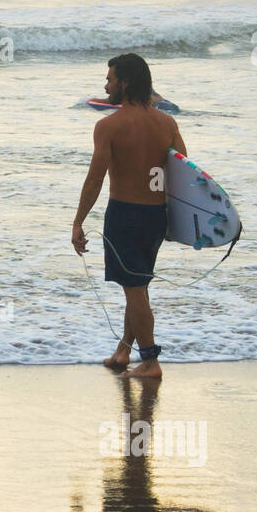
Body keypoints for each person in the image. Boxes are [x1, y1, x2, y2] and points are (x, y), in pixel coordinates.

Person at [71, 52, 186, 379]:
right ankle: (124, 350)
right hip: (157, 217)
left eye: (110, 79)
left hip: (125, 216)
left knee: (135, 289)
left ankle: (149, 361)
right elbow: (182, 174)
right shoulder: (168, 123)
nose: (106, 85)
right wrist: (175, 221)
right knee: (137, 286)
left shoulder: (109, 126)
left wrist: (78, 221)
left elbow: (95, 179)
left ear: (125, 82)